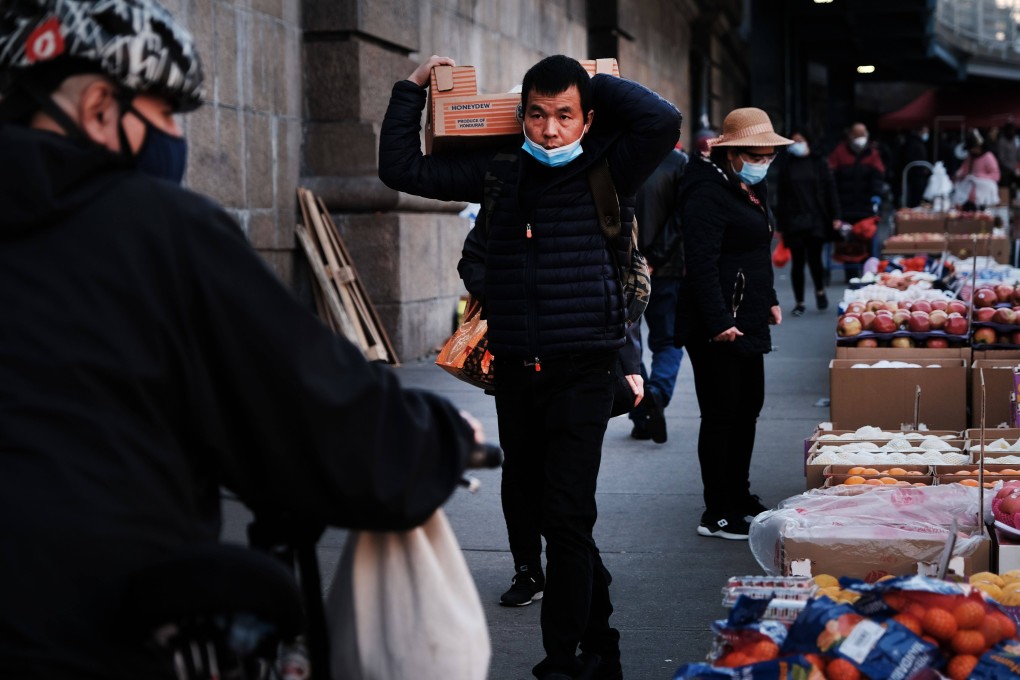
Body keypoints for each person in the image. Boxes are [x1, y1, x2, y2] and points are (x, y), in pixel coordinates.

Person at [0, 3, 481, 678]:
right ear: (100, 108)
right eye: (166, 111)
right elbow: (324, 416)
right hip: (93, 642)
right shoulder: (156, 227)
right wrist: (437, 436)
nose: (173, 135)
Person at [379, 53, 681, 680]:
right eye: (538, 115)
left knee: (568, 516)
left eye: (564, 116)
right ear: (521, 117)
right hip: (517, 372)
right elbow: (399, 168)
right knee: (550, 512)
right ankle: (604, 642)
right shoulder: (500, 173)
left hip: (582, 372)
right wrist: (411, 88)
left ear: (586, 118)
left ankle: (563, 659)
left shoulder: (610, 169)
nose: (549, 130)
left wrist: (594, 76)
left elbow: (663, 119)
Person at [675, 107, 788, 540]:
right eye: (757, 155)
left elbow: (757, 251)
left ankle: (739, 495)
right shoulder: (706, 191)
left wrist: (772, 300)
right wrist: (719, 319)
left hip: (749, 313)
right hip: (718, 322)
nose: (764, 163)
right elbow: (700, 263)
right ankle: (717, 511)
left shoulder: (744, 188)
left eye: (768, 156)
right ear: (734, 153)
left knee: (748, 409)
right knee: (722, 414)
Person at [629, 145, 689, 443]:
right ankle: (657, 395)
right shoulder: (679, 163)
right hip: (666, 269)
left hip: (626, 267)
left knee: (629, 342)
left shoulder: (620, 154)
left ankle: (642, 412)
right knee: (667, 340)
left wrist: (641, 259)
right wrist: (655, 258)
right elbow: (680, 219)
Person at [775, 129, 840, 316]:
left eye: (800, 140)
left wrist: (836, 215)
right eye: (793, 141)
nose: (796, 144)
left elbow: (830, 189)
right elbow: (781, 196)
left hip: (816, 218)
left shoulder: (819, 163)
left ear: (808, 142)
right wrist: (780, 224)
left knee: (814, 259)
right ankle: (800, 302)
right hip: (794, 220)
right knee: (797, 262)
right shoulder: (787, 166)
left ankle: (820, 290)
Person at [828, 122, 885, 280]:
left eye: (863, 135)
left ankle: (867, 271)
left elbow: (878, 178)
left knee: (866, 239)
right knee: (847, 241)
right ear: (850, 136)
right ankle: (850, 273)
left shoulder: (872, 154)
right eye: (857, 135)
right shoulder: (839, 153)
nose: (860, 139)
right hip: (844, 206)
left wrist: (876, 195)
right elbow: (830, 177)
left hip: (865, 207)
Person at [953, 128, 1000, 209]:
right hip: (969, 196)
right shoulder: (970, 158)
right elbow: (964, 170)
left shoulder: (988, 157)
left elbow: (996, 175)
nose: (973, 151)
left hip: (984, 196)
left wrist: (980, 176)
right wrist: (959, 174)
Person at [900, 125, 931, 208]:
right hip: (915, 173)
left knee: (919, 194)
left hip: (919, 173)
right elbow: (909, 157)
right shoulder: (913, 142)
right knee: (915, 195)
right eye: (925, 131)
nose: (927, 134)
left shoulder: (919, 142)